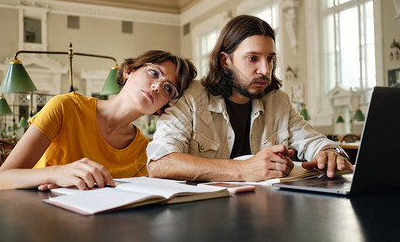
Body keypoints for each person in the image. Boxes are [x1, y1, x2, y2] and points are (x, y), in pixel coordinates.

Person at [147, 15, 354, 182]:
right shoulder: (190, 97)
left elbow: (312, 140)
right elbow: (159, 164)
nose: (265, 70)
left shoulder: (278, 101)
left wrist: (329, 151)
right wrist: (243, 169)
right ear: (225, 61)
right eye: (252, 58)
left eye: (270, 59)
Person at [0, 50, 197, 190]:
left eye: (168, 88)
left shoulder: (144, 151)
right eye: (154, 73)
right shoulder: (65, 107)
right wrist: (55, 173)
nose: (157, 86)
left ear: (163, 108)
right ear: (129, 71)